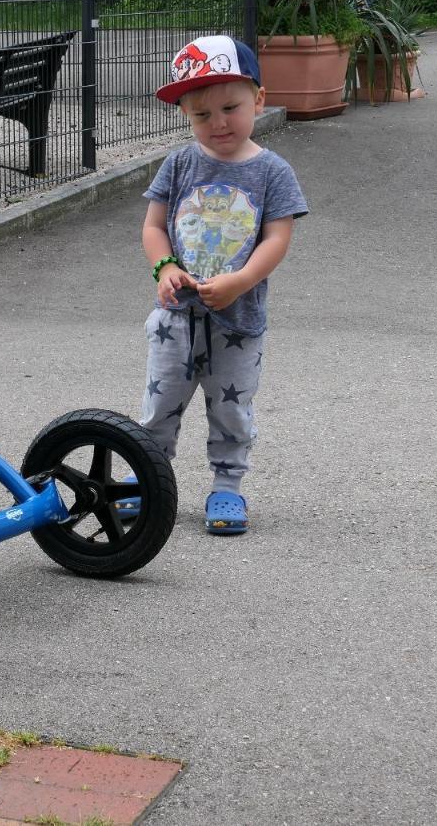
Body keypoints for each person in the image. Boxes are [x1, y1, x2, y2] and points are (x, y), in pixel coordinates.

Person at [134, 35, 307, 534]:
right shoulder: (180, 163)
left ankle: (227, 487)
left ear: (258, 98)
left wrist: (242, 279)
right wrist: (164, 267)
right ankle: (150, 481)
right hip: (175, 318)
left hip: (238, 318)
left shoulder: (272, 171)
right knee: (158, 404)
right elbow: (153, 225)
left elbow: (278, 236)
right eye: (201, 115)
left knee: (232, 407)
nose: (218, 124)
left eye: (230, 107)